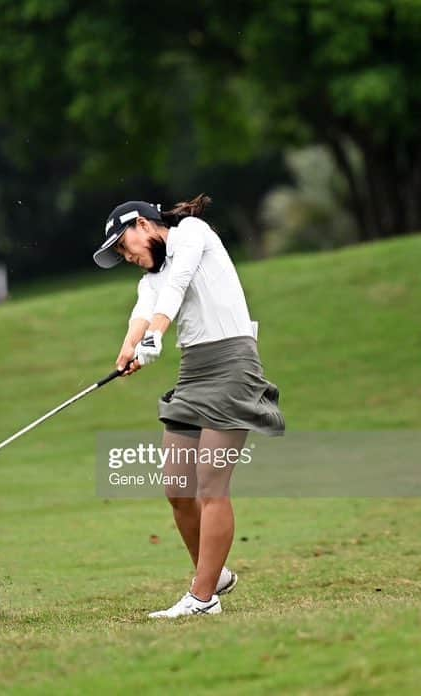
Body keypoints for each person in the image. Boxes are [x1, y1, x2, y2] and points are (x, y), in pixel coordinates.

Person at [93, 194, 285, 619]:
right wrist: (128, 352)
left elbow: (177, 286)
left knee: (211, 485)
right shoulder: (149, 280)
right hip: (194, 374)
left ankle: (202, 599)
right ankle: (213, 574)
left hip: (233, 366)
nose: (126, 256)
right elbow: (142, 315)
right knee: (176, 486)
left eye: (125, 246)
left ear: (144, 224)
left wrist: (156, 335)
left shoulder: (193, 234)